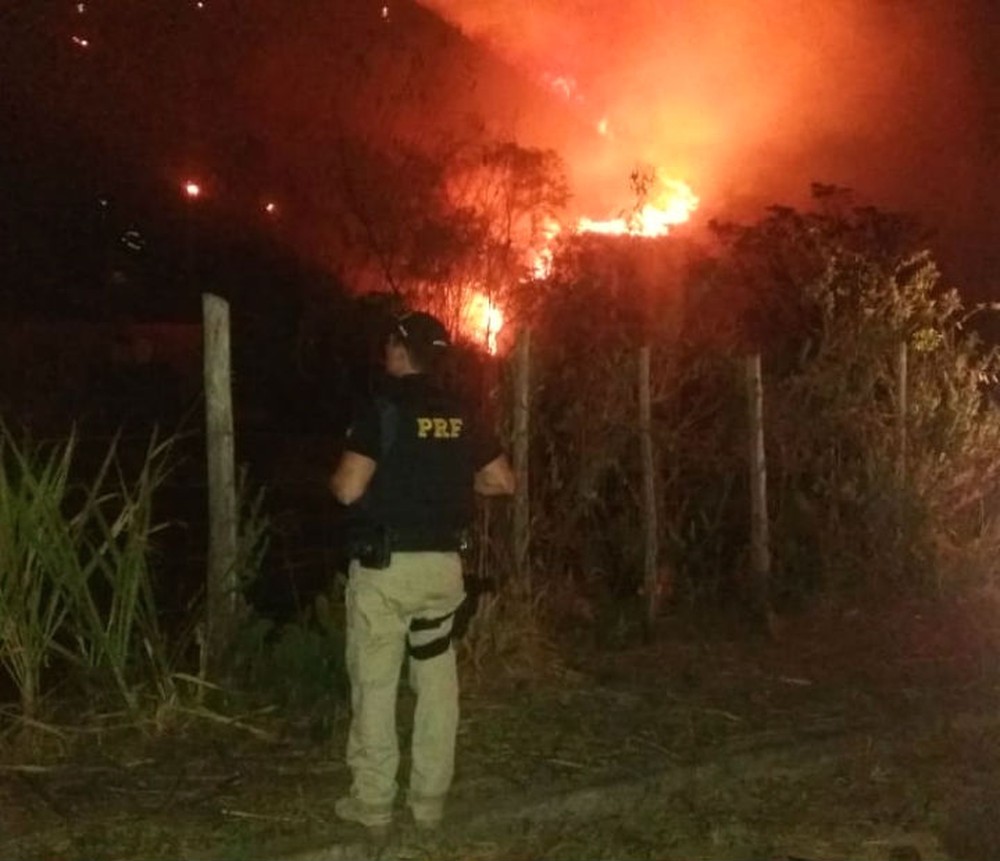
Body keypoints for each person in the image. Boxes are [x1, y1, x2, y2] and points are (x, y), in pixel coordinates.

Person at [329, 310, 515, 834]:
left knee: (376, 683)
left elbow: (347, 488)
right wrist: (459, 484)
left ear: (399, 350)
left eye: (390, 343)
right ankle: (429, 802)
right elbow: (502, 481)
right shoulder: (462, 411)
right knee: (437, 685)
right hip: (443, 575)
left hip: (387, 575)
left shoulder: (381, 408)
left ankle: (373, 804)